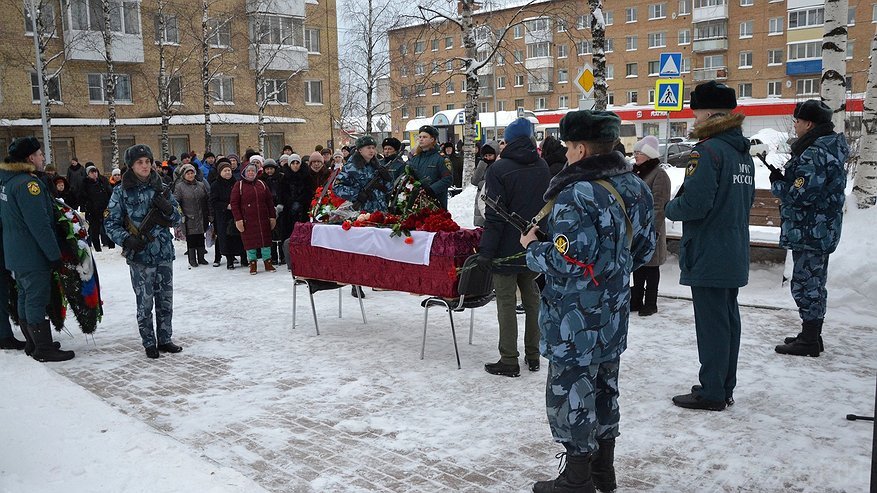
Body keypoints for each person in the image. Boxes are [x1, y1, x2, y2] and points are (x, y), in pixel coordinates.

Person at [521, 111, 655, 493]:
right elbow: (642, 250)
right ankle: (603, 471)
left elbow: (569, 262)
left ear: (580, 148)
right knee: (604, 388)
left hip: (573, 318)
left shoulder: (575, 193)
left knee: (570, 392)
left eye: (566, 148)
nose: (564, 155)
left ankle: (577, 477)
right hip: (613, 311)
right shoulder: (635, 185)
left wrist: (534, 249)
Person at [665, 81, 754, 411]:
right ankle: (723, 384)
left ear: (709, 113)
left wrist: (668, 209)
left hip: (709, 250)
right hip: (732, 248)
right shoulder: (740, 152)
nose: (693, 118)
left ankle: (713, 391)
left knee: (713, 324)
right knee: (728, 320)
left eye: (696, 111)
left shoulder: (707, 151)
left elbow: (694, 204)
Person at [771, 100, 848, 357]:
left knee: (807, 283)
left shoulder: (815, 152)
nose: (795, 125)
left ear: (809, 123)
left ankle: (810, 339)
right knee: (814, 282)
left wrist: (778, 185)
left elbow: (802, 195)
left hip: (810, 230)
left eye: (797, 121)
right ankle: (811, 334)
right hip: (819, 228)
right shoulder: (828, 147)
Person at [478, 118, 551, 377]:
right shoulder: (542, 166)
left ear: (507, 141)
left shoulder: (498, 170)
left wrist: (486, 251)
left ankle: (509, 359)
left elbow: (494, 216)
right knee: (532, 300)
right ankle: (534, 355)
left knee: (506, 302)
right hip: (532, 244)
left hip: (505, 248)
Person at [105, 144, 183, 359]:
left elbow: (178, 217)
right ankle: (149, 342)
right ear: (130, 166)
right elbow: (111, 224)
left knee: (165, 300)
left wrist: (169, 210)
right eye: (140, 162)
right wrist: (127, 240)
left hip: (163, 252)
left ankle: (165, 338)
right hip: (140, 256)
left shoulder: (162, 188)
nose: (145, 166)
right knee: (145, 302)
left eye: (148, 161)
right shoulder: (121, 192)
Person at [0, 137, 74, 361]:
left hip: (16, 252)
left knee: (24, 296)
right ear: (30, 158)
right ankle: (43, 348)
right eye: (40, 154)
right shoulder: (28, 185)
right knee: (35, 299)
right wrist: (54, 255)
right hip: (32, 254)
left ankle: (34, 343)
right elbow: (39, 225)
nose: (43, 158)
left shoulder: (9, 181)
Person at [630, 135, 671, 316]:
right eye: (635, 152)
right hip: (637, 227)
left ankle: (651, 303)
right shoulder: (637, 172)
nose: (636, 155)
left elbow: (659, 204)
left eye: (639, 152)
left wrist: (652, 230)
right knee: (639, 265)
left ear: (649, 155)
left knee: (652, 267)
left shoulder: (659, 174)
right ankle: (636, 299)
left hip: (651, 228)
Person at [230, 161, 277, 274]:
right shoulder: (239, 185)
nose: (251, 173)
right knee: (250, 242)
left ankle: (267, 262)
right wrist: (238, 219)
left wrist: (272, 216)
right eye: (249, 171)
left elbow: (269, 201)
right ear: (244, 173)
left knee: (265, 241)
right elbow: (234, 204)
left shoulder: (261, 184)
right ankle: (253, 263)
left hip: (263, 219)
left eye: (253, 171)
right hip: (248, 220)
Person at [333, 135, 393, 213]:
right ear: (360, 150)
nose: (371, 151)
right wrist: (357, 194)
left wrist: (388, 179)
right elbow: (337, 187)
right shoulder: (351, 167)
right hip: (361, 213)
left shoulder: (378, 167)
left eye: (373, 148)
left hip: (380, 212)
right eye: (368, 148)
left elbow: (388, 190)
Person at [173, 163, 212, 268]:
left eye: (192, 173)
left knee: (200, 236)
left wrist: (209, 214)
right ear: (184, 175)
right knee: (191, 239)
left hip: (201, 216)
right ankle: (192, 259)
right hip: (188, 217)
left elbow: (207, 199)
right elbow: (176, 202)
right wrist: (181, 215)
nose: (190, 175)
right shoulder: (180, 187)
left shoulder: (201, 185)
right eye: (188, 173)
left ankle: (201, 257)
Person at [210, 159, 245, 269]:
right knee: (226, 237)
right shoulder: (215, 185)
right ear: (220, 172)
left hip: (236, 214)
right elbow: (213, 201)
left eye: (229, 170)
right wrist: (226, 206)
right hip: (223, 216)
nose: (228, 173)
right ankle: (229, 260)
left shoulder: (236, 183)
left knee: (239, 236)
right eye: (225, 171)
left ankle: (243, 258)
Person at [407, 125, 453, 209]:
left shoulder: (441, 158)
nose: (421, 139)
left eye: (424, 137)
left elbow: (447, 179)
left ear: (432, 140)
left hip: (436, 203)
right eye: (420, 137)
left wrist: (431, 189)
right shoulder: (415, 158)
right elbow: (409, 177)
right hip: (416, 204)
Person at [82, 165, 116, 252]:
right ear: (88, 174)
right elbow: (82, 197)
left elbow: (109, 193)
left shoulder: (102, 181)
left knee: (108, 227)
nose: (94, 174)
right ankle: (97, 248)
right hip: (93, 211)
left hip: (105, 209)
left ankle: (111, 246)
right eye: (92, 172)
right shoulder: (85, 184)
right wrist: (88, 207)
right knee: (95, 230)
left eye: (95, 172)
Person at [261, 159, 288, 264]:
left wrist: (281, 204)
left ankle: (282, 256)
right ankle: (273, 257)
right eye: (267, 169)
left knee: (281, 233)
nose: (269, 171)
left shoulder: (281, 178)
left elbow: (285, 192)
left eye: (271, 169)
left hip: (281, 208)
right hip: (268, 209)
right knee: (270, 233)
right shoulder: (262, 180)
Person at [471, 140, 499, 227]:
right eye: (485, 155)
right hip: (480, 200)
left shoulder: (499, 166)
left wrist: (482, 183)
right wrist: (482, 164)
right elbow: (474, 181)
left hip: (492, 200)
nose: (487, 158)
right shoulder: (483, 164)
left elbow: (494, 182)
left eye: (490, 155)